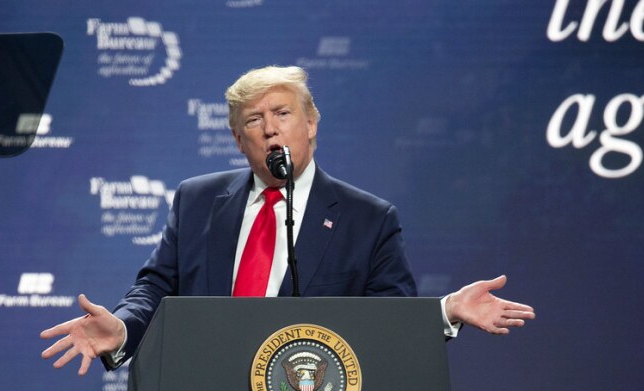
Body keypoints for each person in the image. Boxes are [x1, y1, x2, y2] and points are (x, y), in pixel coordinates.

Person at [41, 66, 535, 375]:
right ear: (238, 140)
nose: (271, 128)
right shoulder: (197, 201)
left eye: (282, 113)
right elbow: (155, 289)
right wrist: (123, 330)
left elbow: (386, 321)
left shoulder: (367, 219)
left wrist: (446, 311)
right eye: (253, 121)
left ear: (311, 123)